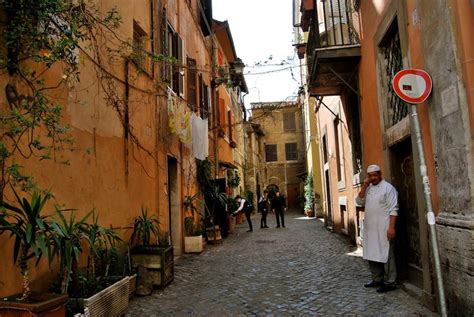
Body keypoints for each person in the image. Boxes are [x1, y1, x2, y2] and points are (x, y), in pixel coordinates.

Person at [356, 164, 398, 293]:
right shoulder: (368, 189)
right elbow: (359, 201)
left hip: (384, 228)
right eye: (370, 176)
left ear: (380, 174)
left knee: (386, 255)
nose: (373, 177)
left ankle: (390, 281)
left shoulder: (388, 188)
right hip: (370, 228)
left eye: (375, 175)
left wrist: (391, 228)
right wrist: (364, 185)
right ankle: (377, 279)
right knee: (372, 253)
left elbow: (393, 209)